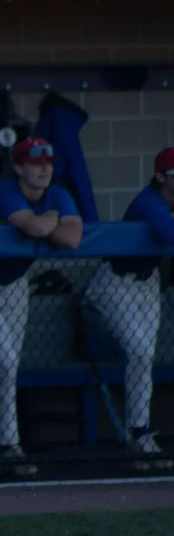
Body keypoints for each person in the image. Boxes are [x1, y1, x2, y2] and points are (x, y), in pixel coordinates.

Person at [0, 137, 82, 477]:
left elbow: (71, 239)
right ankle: (10, 445)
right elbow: (38, 227)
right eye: (35, 163)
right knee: (4, 362)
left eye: (48, 163)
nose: (43, 169)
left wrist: (49, 219)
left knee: (5, 366)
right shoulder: (5, 192)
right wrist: (52, 216)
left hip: (16, 286)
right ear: (19, 166)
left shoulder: (58, 192)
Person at [83, 146, 174, 472]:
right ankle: (138, 432)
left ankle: (140, 433)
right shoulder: (147, 202)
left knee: (145, 355)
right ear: (162, 177)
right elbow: (169, 232)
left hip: (147, 284)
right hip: (114, 284)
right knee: (138, 349)